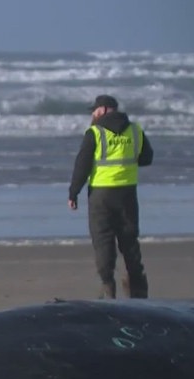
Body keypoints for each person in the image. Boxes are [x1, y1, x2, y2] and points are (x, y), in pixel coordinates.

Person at [68, 94, 154, 299]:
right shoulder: (135, 130)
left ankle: (107, 288)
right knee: (129, 241)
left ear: (105, 110)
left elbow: (82, 165)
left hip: (101, 195)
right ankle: (138, 290)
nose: (93, 114)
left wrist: (73, 192)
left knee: (103, 240)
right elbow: (147, 158)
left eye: (95, 110)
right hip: (127, 194)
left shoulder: (95, 133)